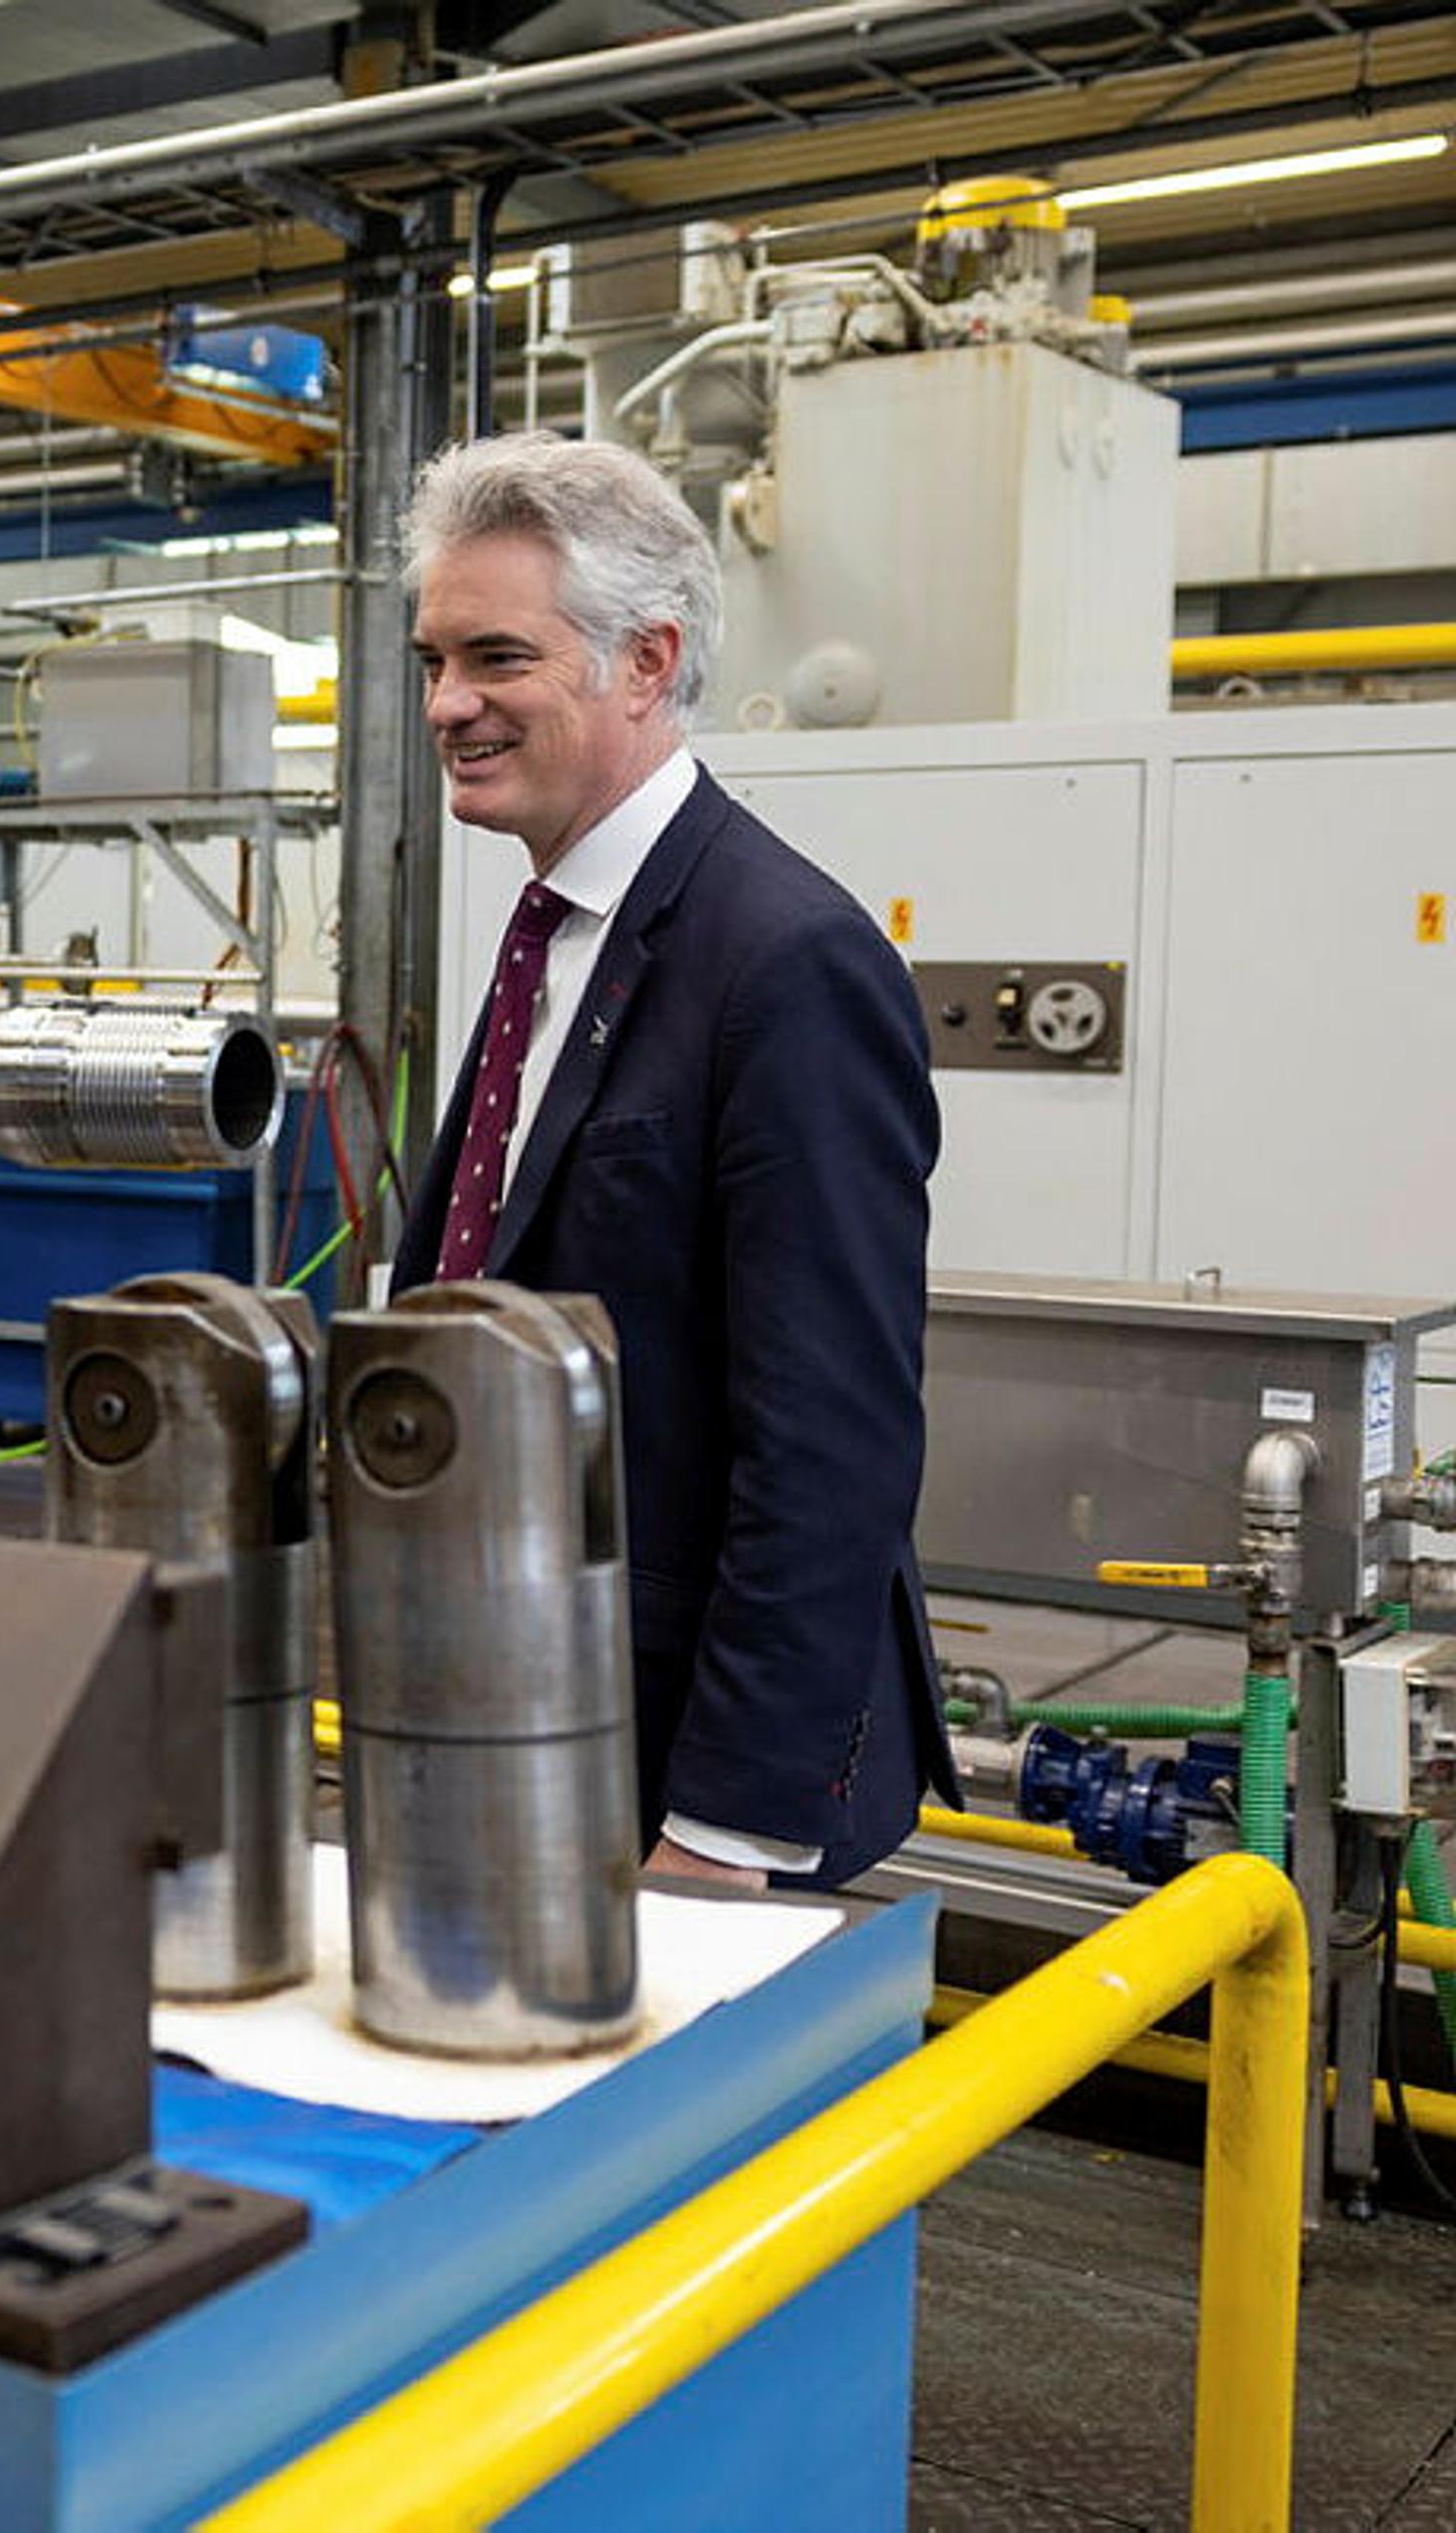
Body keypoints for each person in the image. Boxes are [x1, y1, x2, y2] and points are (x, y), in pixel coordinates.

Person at [388, 429, 951, 1888]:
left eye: (497, 657)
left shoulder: (784, 958)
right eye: (434, 659)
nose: (451, 703)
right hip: (523, 1712)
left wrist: (724, 1824)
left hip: (679, 1778)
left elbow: (833, 1436)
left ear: (646, 662)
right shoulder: (552, 932)